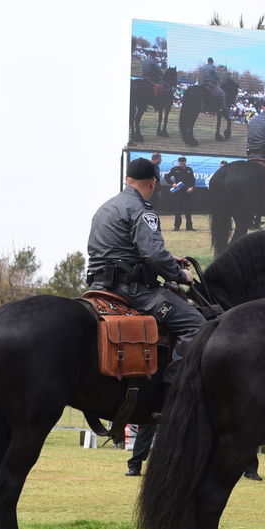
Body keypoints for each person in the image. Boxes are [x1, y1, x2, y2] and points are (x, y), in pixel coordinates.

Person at [87, 157, 204, 384]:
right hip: (134, 291)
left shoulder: (105, 208)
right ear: (153, 183)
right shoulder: (142, 209)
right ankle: (173, 391)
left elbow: (120, 249)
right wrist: (181, 275)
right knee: (196, 325)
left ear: (127, 179)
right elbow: (153, 255)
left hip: (100, 286)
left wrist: (168, 258)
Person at [165, 156, 196, 231]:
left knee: (188, 210)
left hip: (187, 192)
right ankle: (176, 227)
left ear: (185, 162)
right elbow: (166, 177)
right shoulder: (175, 169)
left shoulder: (189, 170)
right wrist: (172, 183)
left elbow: (193, 179)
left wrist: (192, 187)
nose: (181, 162)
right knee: (178, 210)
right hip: (178, 192)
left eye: (182, 161)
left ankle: (189, 227)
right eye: (180, 161)